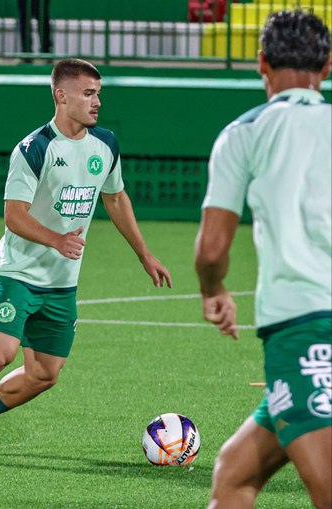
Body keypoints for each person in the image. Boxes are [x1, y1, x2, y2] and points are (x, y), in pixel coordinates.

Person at [0, 58, 172, 461]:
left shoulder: (105, 144)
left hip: (62, 282)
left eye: (99, 93)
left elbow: (115, 197)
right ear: (61, 96)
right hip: (17, 274)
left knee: (44, 374)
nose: (97, 102)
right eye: (88, 93)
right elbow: (13, 216)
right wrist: (57, 239)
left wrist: (144, 254)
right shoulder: (33, 149)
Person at [195, 10, 331, 509]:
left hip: (307, 329)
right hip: (310, 332)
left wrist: (214, 291)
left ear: (261, 64)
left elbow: (212, 249)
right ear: (329, 65)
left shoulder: (245, 132)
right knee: (234, 474)